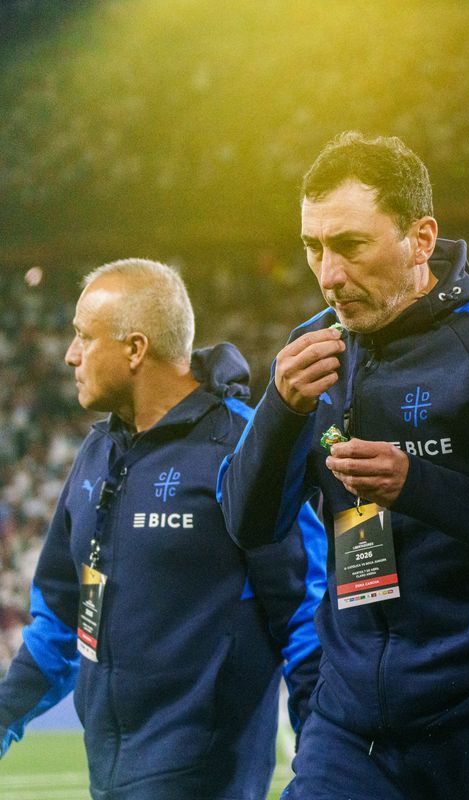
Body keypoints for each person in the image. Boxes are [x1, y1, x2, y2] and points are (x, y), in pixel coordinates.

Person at [218, 131, 469, 800]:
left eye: (350, 245)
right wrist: (280, 411)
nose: (328, 275)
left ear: (421, 239)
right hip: (356, 723)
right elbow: (249, 525)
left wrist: (418, 486)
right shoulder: (309, 352)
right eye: (313, 247)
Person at [0, 259, 324, 800]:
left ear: (135, 349)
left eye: (84, 337)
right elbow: (59, 616)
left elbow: (306, 620)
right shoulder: (97, 452)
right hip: (108, 782)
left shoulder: (245, 446)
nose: (71, 355)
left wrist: (323, 775)